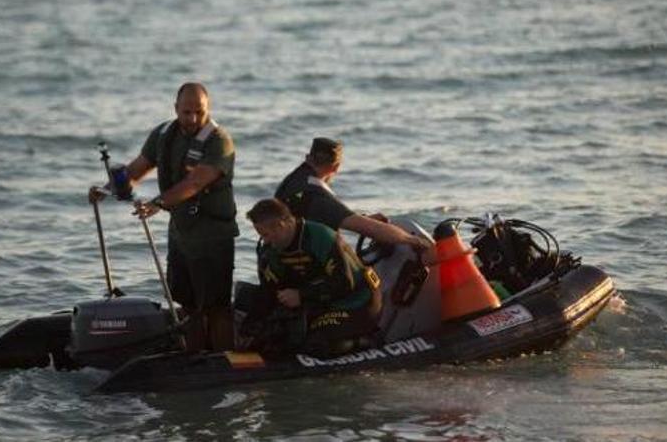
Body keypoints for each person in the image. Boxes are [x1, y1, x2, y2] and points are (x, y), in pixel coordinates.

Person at [88, 82, 237, 352]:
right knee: (186, 301)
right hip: (181, 232)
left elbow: (195, 182)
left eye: (199, 112)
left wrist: (158, 203)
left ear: (208, 110)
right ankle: (193, 354)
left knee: (216, 306)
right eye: (186, 112)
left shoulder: (219, 141)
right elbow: (136, 169)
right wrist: (104, 190)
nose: (192, 118)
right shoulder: (163, 134)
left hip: (212, 235)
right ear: (175, 109)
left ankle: (224, 357)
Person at [244, 198, 382, 358]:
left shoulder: (320, 237)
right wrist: (251, 328)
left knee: (317, 345)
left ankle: (365, 341)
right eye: (261, 235)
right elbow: (269, 290)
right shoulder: (270, 250)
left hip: (357, 300)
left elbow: (344, 282)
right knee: (270, 342)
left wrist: (301, 295)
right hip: (318, 303)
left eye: (266, 234)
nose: (265, 240)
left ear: (282, 224)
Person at [275, 137, 432, 253]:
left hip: (284, 256)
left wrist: (361, 218)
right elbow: (369, 229)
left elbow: (329, 217)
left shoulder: (292, 181)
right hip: (308, 265)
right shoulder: (317, 194)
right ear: (335, 167)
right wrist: (413, 240)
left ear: (308, 158)